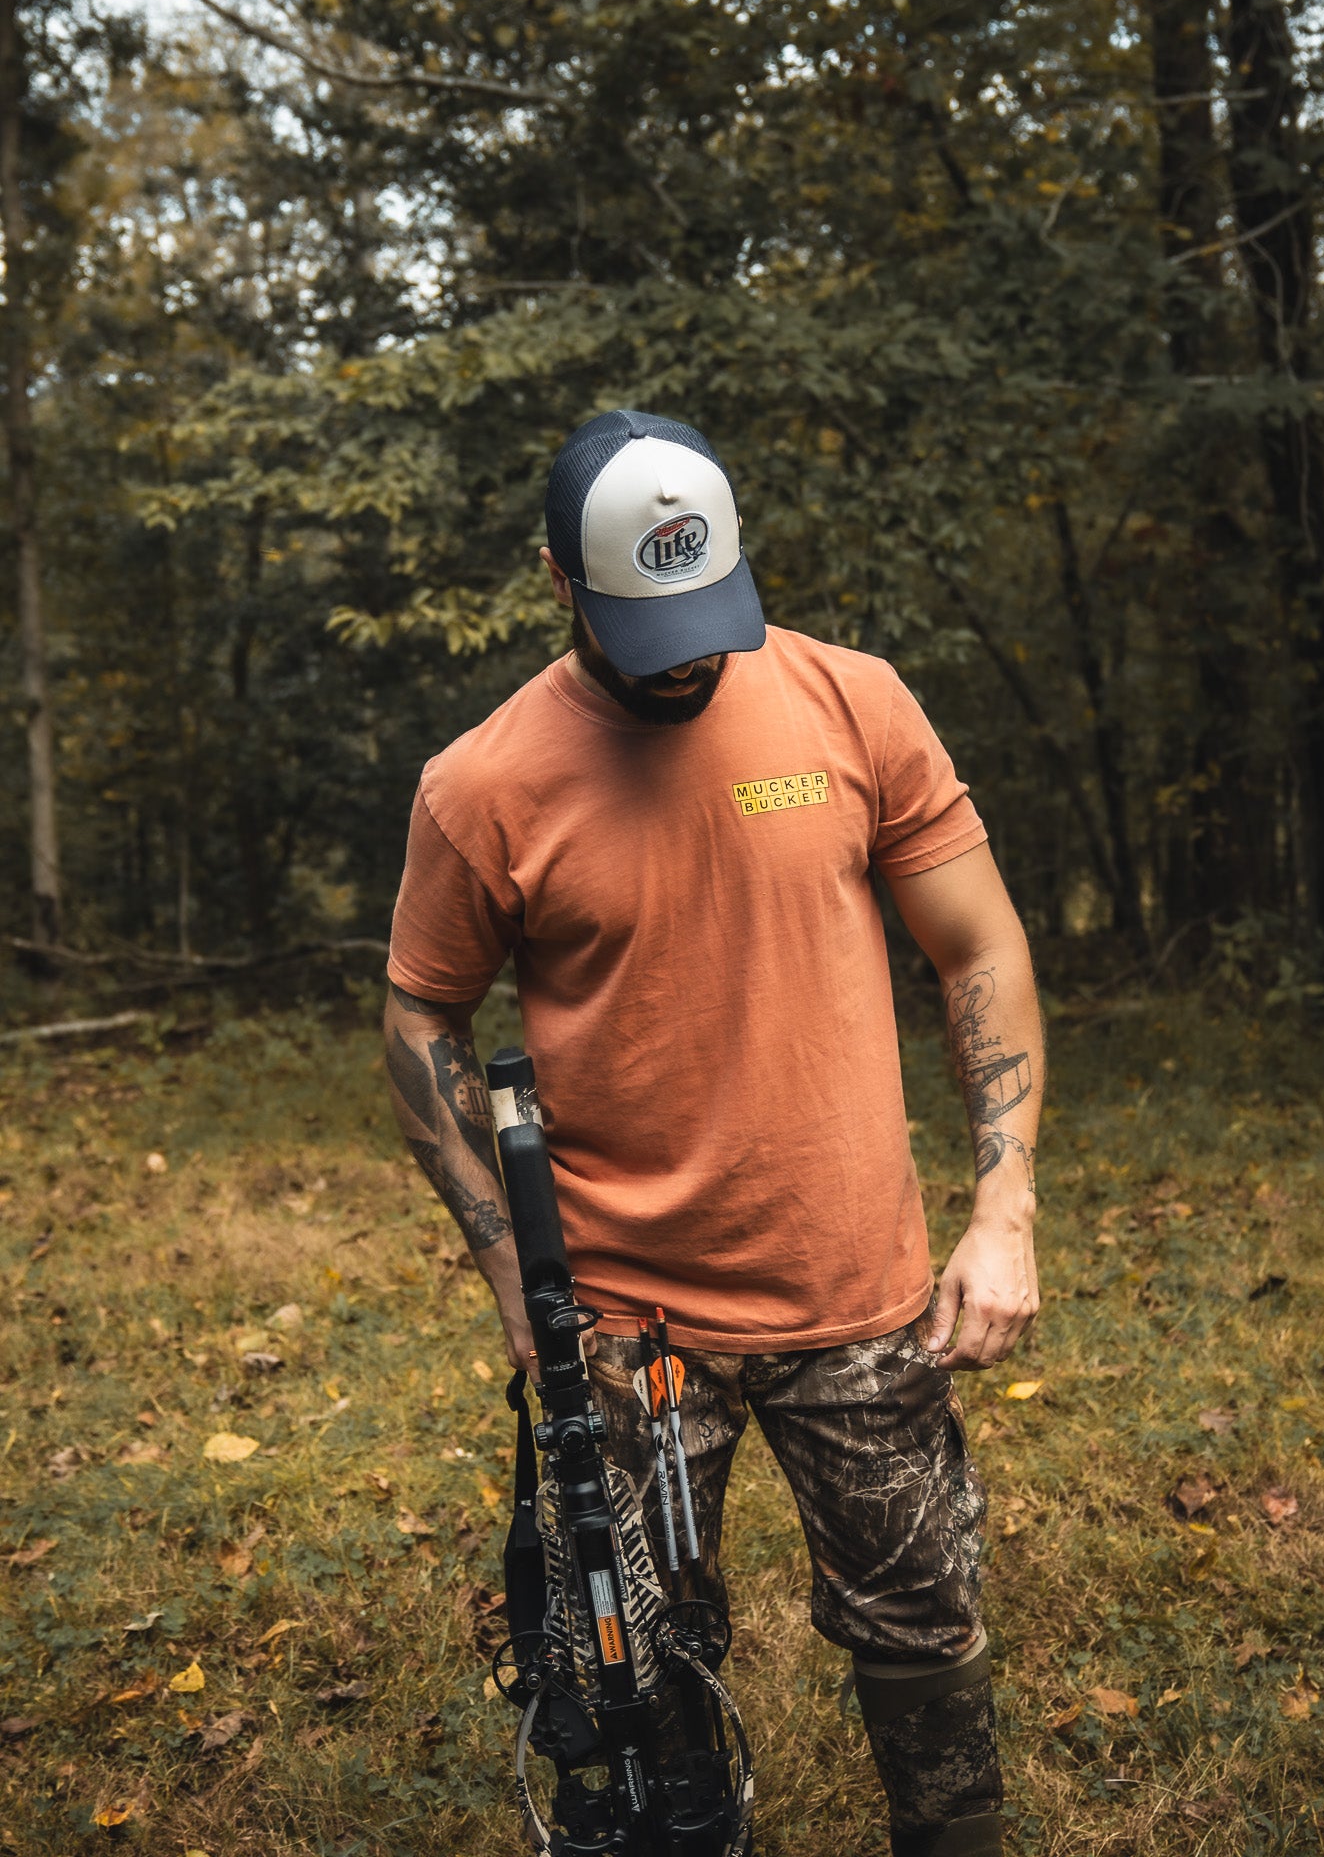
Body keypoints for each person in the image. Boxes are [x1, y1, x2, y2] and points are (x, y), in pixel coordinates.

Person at [384, 408, 1043, 1857]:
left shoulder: (853, 704)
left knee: (922, 1620)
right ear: (559, 581)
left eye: (705, 617)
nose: (686, 660)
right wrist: (513, 1279)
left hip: (855, 1287)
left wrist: (1003, 1208)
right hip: (623, 1316)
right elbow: (421, 1012)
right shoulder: (483, 782)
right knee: (639, 1659)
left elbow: (979, 948)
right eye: (646, 628)